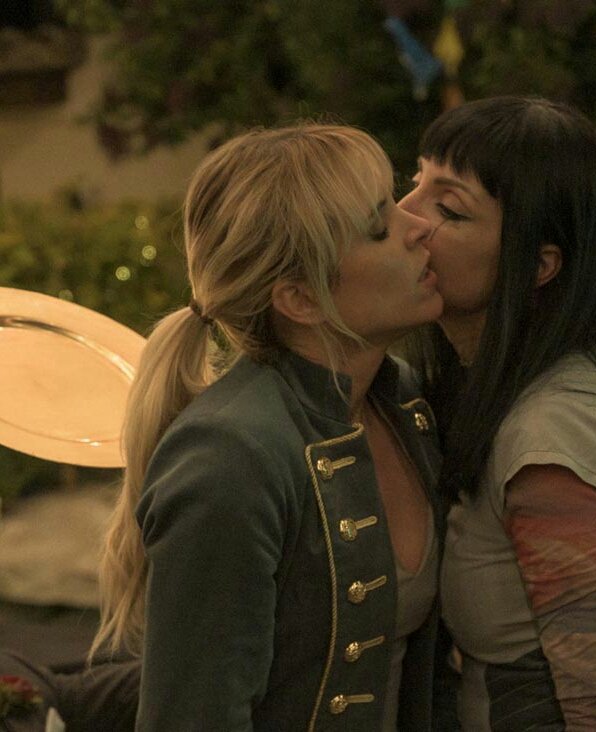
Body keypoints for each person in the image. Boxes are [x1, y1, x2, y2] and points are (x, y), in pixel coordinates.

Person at [92, 123, 447, 731]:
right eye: (378, 227)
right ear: (300, 299)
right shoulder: (232, 456)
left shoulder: (401, 398)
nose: (418, 227)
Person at [399, 96, 596, 730]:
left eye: (449, 209)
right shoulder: (498, 389)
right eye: (415, 181)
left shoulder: (556, 434)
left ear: (539, 266)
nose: (404, 215)